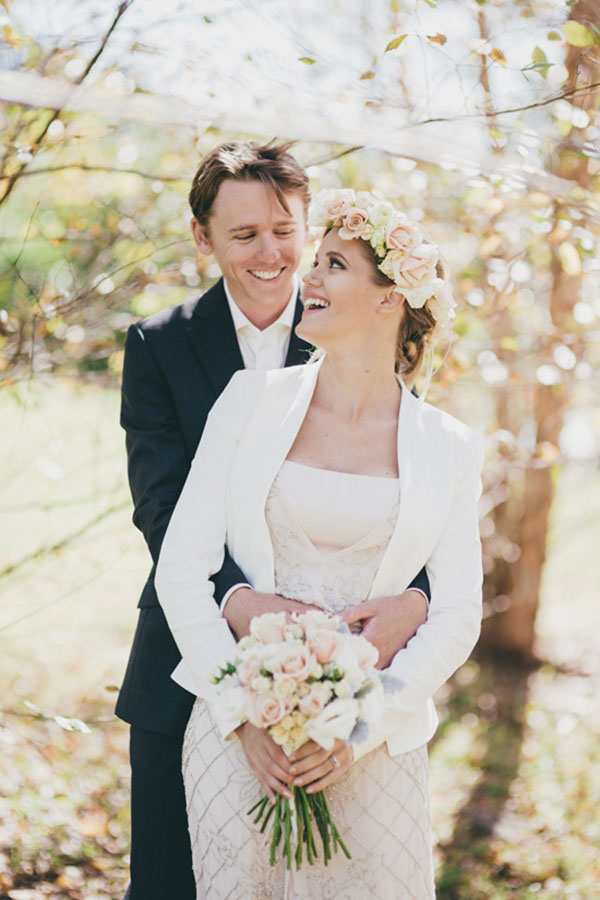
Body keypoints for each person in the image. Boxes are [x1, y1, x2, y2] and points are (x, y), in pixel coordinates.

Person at [117, 144, 431, 899]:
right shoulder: (157, 345)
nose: (272, 253)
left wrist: (416, 600)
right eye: (245, 234)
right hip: (186, 648)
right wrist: (239, 603)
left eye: (286, 230)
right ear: (203, 238)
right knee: (170, 880)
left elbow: (412, 492)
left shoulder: (361, 321)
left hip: (345, 665)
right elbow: (160, 505)